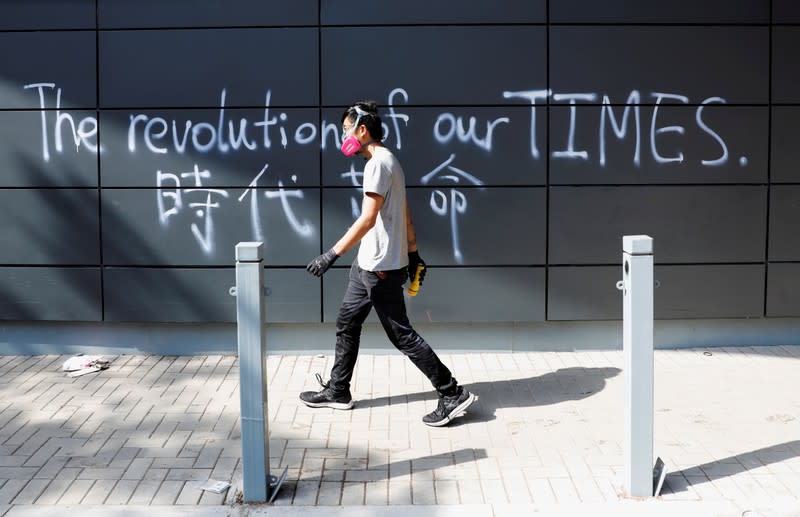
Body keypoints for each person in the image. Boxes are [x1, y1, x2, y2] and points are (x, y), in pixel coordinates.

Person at [299, 101, 477, 427]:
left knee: (402, 335)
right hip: (367, 263)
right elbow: (404, 213)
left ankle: (452, 392)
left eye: (345, 130)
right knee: (347, 323)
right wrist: (413, 253)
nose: (344, 137)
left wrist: (331, 254)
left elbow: (368, 219)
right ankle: (339, 391)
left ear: (362, 130)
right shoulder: (388, 161)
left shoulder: (377, 165)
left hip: (379, 267)